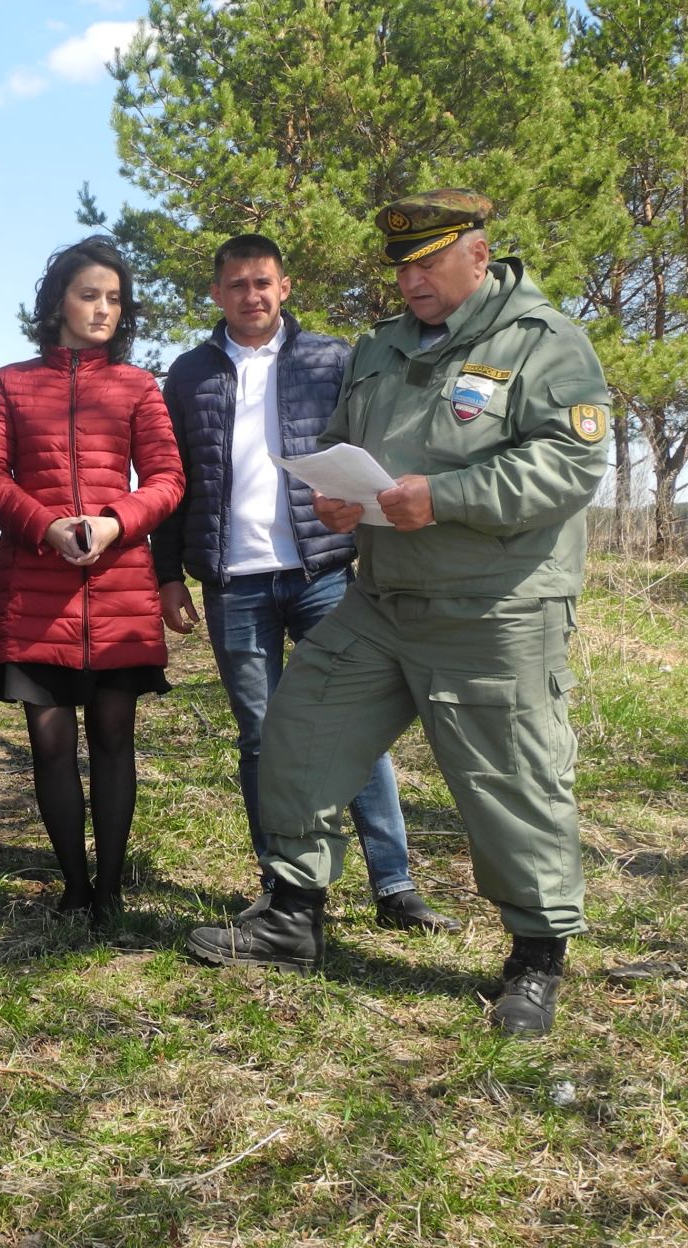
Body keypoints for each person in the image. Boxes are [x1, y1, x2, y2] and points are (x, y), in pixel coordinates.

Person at [184, 191, 612, 1037]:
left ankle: (534, 959)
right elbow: (352, 445)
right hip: (380, 600)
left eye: (428, 263)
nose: (410, 280)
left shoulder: (541, 340)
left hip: (494, 610)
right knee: (299, 735)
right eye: (401, 267)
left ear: (479, 256)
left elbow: (570, 464)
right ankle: (293, 913)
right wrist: (343, 501)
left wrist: (443, 499)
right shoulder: (379, 346)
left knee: (511, 785)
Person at [153, 233, 458, 935]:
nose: (250, 296)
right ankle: (281, 889)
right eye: (236, 285)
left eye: (262, 283)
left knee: (356, 729)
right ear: (216, 294)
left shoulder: (333, 359)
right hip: (234, 584)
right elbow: (173, 481)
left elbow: (374, 452)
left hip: (324, 573)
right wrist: (167, 574)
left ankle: (395, 885)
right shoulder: (189, 373)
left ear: (284, 287)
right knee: (262, 739)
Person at [0, 236, 184, 928]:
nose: (103, 310)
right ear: (57, 300)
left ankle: (112, 891)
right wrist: (47, 527)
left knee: (115, 740)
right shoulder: (10, 382)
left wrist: (117, 524)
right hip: (36, 589)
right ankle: (73, 888)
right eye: (89, 294)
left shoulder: (138, 386)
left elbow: (168, 479)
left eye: (114, 298)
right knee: (52, 744)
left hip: (119, 590)